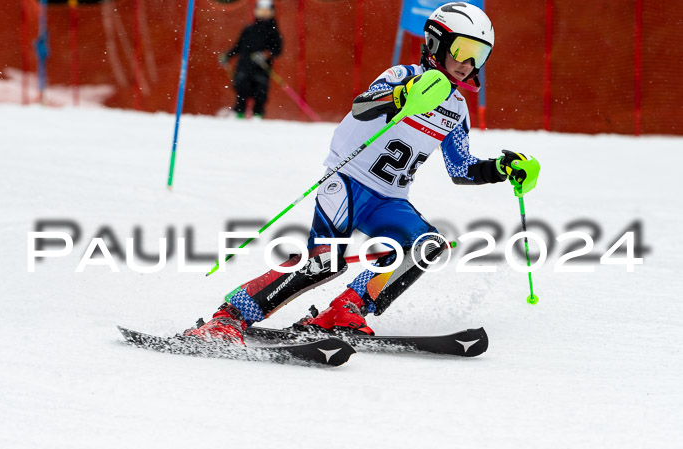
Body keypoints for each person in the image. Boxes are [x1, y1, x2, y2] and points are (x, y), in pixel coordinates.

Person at [188, 2, 539, 343]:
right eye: (462, 50)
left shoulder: (457, 108)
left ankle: (345, 309)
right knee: (324, 260)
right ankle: (231, 316)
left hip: (389, 200)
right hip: (347, 182)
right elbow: (362, 107)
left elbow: (462, 169)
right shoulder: (403, 77)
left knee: (425, 245)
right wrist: (401, 98)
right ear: (436, 42)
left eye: (478, 55)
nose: (467, 64)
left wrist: (503, 168)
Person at [220, 0, 282, 119]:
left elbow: (277, 50)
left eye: (266, 11)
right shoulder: (249, 29)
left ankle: (257, 117)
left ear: (272, 12)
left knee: (260, 93)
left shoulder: (273, 31)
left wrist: (265, 54)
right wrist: (227, 56)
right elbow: (238, 46)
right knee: (242, 90)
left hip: (261, 68)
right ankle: (239, 116)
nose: (263, 13)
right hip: (245, 66)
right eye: (261, 10)